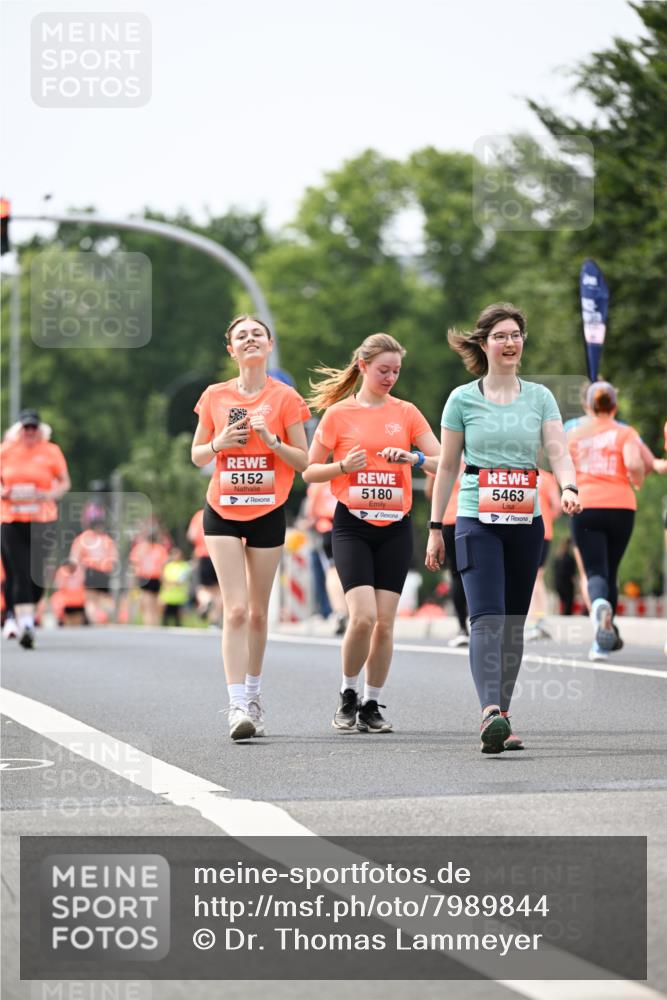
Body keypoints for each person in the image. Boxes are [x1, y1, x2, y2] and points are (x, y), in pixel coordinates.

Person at [425, 303, 581, 754]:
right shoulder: (462, 399)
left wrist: (568, 485)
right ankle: (488, 710)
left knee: (514, 624)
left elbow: (559, 451)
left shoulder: (539, 398)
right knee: (486, 620)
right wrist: (436, 527)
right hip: (475, 517)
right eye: (501, 336)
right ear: (484, 343)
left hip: (526, 520)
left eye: (516, 335)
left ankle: (503, 717)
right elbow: (449, 465)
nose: (510, 343)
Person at [305, 332, 440, 734]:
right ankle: (348, 694)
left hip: (396, 526)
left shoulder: (407, 412)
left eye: (396, 371)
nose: (390, 378)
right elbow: (310, 471)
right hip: (352, 525)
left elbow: (444, 461)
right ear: (363, 366)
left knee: (385, 622)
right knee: (361, 617)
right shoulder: (337, 415)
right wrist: (343, 467)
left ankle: (372, 703)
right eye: (383, 370)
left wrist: (414, 457)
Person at [191, 314, 310, 740]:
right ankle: (236, 704)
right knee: (236, 609)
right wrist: (219, 443)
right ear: (232, 349)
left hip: (267, 510)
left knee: (259, 612)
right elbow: (198, 455)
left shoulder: (285, 398)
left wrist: (274, 442)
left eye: (256, 334)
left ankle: (255, 694)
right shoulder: (215, 396)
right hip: (222, 509)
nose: (249, 340)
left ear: (269, 344)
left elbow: (305, 460)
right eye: (241, 336)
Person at [567, 380, 645, 661]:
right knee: (611, 569)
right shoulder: (625, 433)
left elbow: (560, 466)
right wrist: (637, 480)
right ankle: (606, 635)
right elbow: (635, 465)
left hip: (586, 505)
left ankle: (599, 608)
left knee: (595, 571)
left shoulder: (574, 434)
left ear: (588, 406)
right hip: (622, 506)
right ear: (615, 405)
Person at [0, 409, 70, 649]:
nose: (30, 432)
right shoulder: (6, 451)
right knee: (19, 572)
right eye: (25, 428)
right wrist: (4, 492)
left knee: (37, 575)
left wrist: (46, 494)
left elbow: (64, 483)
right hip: (12, 518)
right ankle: (26, 624)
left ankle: (28, 614)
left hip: (42, 519)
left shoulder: (51, 451)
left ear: (39, 430)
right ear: (19, 429)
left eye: (33, 428)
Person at [303, 480, 347, 633]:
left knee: (332, 570)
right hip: (350, 526)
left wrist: (309, 522)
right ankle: (352, 611)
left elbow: (311, 509)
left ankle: (340, 611)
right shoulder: (347, 473)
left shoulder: (319, 481)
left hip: (327, 527)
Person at [524, 467, 562, 640]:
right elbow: (557, 505)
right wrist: (547, 517)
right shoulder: (546, 478)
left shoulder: (518, 475)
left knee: (532, 578)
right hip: (543, 531)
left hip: (521, 530)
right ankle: (539, 619)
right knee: (538, 577)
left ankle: (535, 621)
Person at [69, 518, 118, 624]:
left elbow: (74, 557)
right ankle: (105, 615)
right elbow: (114, 559)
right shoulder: (107, 540)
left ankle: (95, 619)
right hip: (104, 572)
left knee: (91, 598)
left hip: (91, 571)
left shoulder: (83, 538)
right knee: (102, 598)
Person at [187, 507, 222, 625]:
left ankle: (206, 601)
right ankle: (215, 620)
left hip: (203, 554)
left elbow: (191, 535)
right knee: (219, 590)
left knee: (203, 588)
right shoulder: (222, 512)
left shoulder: (199, 515)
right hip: (221, 555)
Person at [129, 528, 170, 626]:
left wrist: (133, 582)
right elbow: (163, 567)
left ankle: (149, 626)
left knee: (147, 606)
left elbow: (134, 566)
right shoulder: (160, 549)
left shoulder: (139, 549)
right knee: (154, 605)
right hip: (156, 578)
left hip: (145, 577)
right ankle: (154, 624)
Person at [159, 547, 192, 627]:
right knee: (165, 620)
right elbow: (163, 579)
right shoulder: (168, 566)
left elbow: (181, 580)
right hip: (168, 597)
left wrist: (171, 583)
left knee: (178, 621)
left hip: (180, 598)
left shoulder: (185, 566)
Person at [51, 559, 87, 626]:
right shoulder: (77, 571)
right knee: (74, 622)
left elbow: (58, 584)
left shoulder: (63, 572)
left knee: (73, 622)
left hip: (74, 601)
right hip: (71, 601)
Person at [552, 538, 577, 615]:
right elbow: (572, 574)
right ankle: (566, 613)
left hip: (558, 583)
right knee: (568, 601)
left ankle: (561, 612)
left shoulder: (558, 557)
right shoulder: (570, 559)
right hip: (567, 584)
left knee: (562, 600)